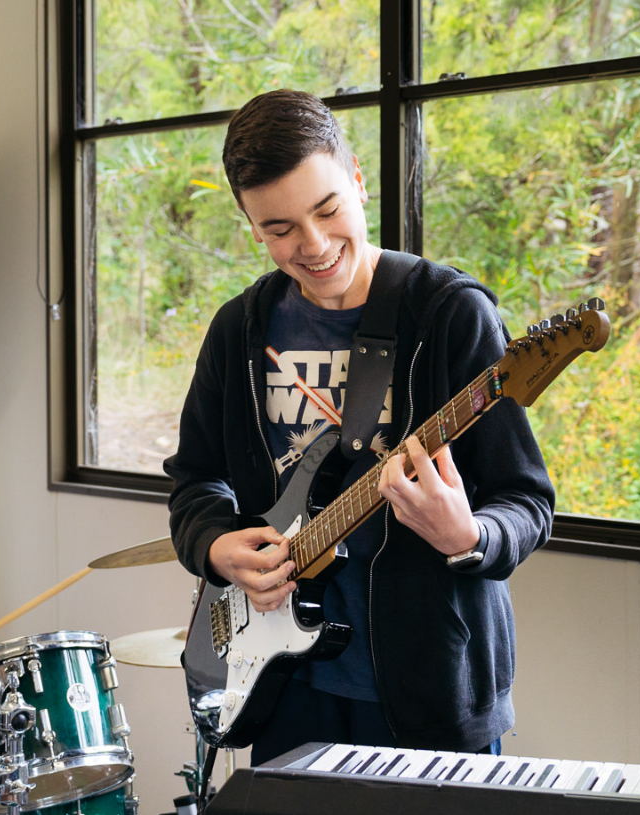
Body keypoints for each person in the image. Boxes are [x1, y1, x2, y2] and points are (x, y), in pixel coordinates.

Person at [166, 89, 554, 765]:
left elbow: (527, 503)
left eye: (328, 210)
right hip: (285, 685)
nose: (314, 246)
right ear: (249, 224)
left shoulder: (449, 317)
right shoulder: (239, 331)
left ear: (357, 181)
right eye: (281, 228)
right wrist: (217, 548)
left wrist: (468, 537)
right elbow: (196, 481)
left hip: (431, 690)